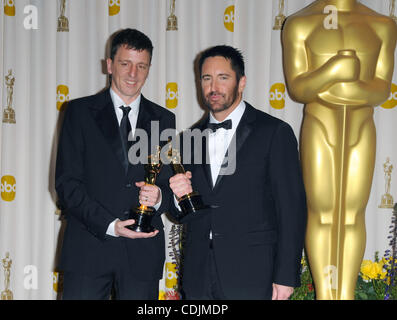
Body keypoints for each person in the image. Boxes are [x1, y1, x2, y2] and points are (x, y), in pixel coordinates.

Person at [168, 45, 307, 300]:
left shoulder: (274, 132)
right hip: (198, 275)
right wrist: (179, 200)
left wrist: (285, 276)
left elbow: (292, 209)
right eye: (206, 78)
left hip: (253, 273)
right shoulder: (187, 140)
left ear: (241, 82)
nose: (214, 87)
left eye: (223, 77)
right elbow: (182, 213)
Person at [282, 0, 397, 300]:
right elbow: (298, 87)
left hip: (361, 125)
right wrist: (334, 70)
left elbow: (382, 89)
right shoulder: (299, 23)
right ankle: (325, 294)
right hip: (319, 124)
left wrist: (343, 87)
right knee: (321, 212)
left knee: (351, 214)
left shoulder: (383, 25)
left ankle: (344, 295)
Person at [55, 28, 175, 300]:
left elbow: (168, 187)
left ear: (149, 69)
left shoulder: (164, 119)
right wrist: (110, 224)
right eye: (125, 63)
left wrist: (158, 199)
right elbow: (67, 184)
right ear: (109, 65)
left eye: (141, 66)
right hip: (88, 248)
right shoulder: (78, 112)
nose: (133, 73)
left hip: (142, 255)